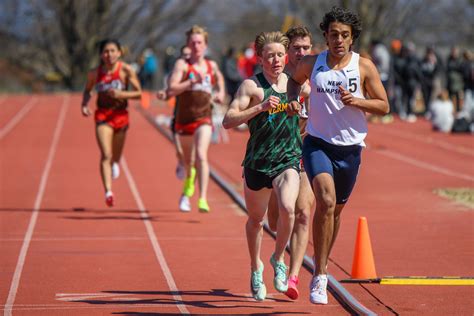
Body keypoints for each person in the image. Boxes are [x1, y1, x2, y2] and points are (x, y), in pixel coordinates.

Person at [287, 6, 389, 305]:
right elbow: (294, 81)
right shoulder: (312, 62)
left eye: (345, 35)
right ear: (326, 36)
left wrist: (357, 101)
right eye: (333, 35)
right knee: (326, 201)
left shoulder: (364, 67)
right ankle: (319, 276)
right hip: (317, 143)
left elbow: (383, 106)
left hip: (351, 149)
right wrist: (294, 100)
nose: (339, 40)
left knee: (336, 211)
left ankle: (323, 262)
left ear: (352, 38)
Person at [223, 31, 301, 301]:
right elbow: (228, 120)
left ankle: (278, 259)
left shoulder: (296, 84)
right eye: (270, 55)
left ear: (286, 56)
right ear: (260, 59)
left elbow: (316, 108)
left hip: (288, 159)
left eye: (280, 54)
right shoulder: (251, 86)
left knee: (289, 208)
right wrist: (261, 107)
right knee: (256, 220)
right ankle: (256, 266)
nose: (276, 60)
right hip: (258, 162)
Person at [265, 25, 314, 300]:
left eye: (306, 48)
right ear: (287, 52)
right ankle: (277, 257)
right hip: (279, 154)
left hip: (306, 152)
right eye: (296, 48)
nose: (301, 53)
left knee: (304, 212)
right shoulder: (279, 80)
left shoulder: (316, 79)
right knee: (275, 218)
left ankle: (293, 275)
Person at [167, 25, 225, 213]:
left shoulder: (211, 66)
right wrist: (191, 82)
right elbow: (171, 89)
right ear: (188, 45)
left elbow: (220, 81)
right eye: (193, 42)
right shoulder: (182, 65)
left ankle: (202, 198)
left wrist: (220, 93)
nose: (196, 46)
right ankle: (188, 184)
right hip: (184, 120)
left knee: (201, 154)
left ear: (205, 45)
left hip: (203, 118)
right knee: (187, 161)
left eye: (199, 42)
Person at [81, 39, 142, 207]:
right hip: (103, 116)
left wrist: (121, 95)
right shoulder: (94, 73)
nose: (109, 55)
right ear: (101, 54)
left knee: (116, 154)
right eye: (106, 51)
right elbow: (87, 90)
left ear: (119, 52)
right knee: (105, 154)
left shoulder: (126, 70)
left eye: (113, 51)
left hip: (121, 115)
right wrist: (84, 104)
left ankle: (116, 162)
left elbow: (139, 94)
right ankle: (108, 191)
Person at [157, 45, 192, 180]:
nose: (187, 57)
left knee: (195, 155)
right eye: (184, 55)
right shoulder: (176, 74)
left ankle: (190, 186)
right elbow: (169, 92)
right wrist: (164, 95)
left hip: (198, 118)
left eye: (189, 54)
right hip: (179, 117)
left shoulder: (201, 69)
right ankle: (181, 162)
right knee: (180, 151)